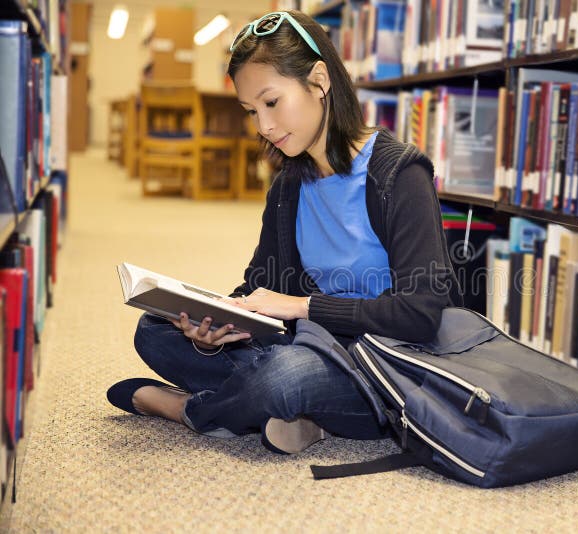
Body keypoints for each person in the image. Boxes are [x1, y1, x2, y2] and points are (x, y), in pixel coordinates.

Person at [106, 10, 462, 454]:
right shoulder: (289, 185)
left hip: (383, 367)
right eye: (252, 111)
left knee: (284, 376)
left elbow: (421, 312)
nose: (264, 127)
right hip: (305, 344)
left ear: (319, 81)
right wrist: (216, 329)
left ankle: (191, 410)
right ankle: (296, 417)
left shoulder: (399, 174)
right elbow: (262, 286)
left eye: (272, 103)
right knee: (154, 330)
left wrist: (300, 306)